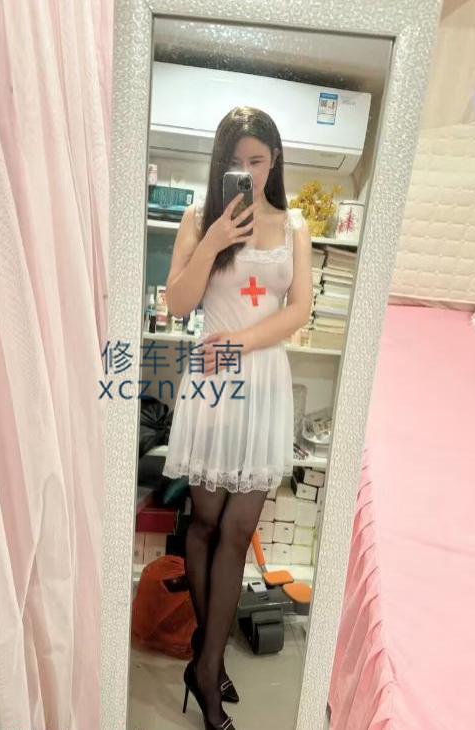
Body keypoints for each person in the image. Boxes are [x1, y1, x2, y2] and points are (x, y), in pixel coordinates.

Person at [162, 106, 312, 730]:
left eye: (257, 160)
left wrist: (240, 343)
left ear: (274, 161)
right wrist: (215, 240)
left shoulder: (294, 225)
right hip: (214, 385)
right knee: (204, 523)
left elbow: (298, 309)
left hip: (260, 379)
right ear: (219, 164)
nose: (247, 172)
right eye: (236, 161)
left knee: (238, 526)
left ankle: (204, 662)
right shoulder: (200, 219)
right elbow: (177, 303)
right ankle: (209, 665)